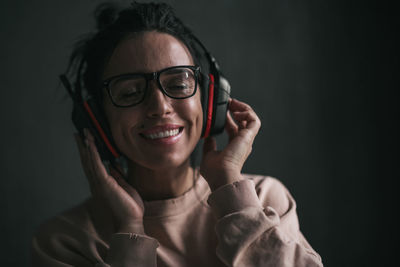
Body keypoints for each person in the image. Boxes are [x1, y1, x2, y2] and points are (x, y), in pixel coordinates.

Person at [31, 2, 323, 266]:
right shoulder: (64, 242)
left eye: (179, 84)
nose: (159, 107)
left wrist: (229, 188)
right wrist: (130, 229)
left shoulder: (262, 200)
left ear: (210, 100)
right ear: (97, 119)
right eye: (130, 92)